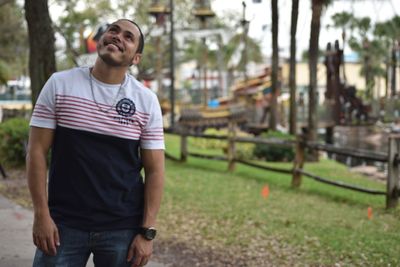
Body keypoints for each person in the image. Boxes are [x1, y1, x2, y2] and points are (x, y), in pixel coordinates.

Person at [26, 19, 165, 267]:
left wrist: (147, 232)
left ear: (136, 58)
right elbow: (36, 150)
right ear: (101, 39)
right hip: (62, 225)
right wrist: (41, 215)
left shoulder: (146, 101)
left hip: (122, 227)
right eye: (113, 30)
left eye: (128, 37)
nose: (117, 36)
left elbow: (155, 170)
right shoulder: (60, 84)